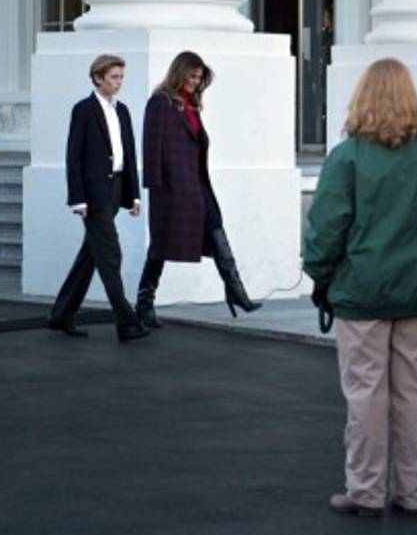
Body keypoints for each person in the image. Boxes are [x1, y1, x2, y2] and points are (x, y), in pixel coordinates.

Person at [306, 59, 417, 517]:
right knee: (410, 390)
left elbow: (326, 229)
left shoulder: (347, 156)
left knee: (365, 393)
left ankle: (365, 491)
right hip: (416, 289)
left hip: (361, 292)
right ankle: (411, 491)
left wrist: (321, 277)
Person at [135, 51, 262, 325]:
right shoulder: (160, 103)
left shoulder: (190, 104)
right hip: (171, 187)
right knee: (160, 246)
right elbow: (150, 147)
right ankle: (144, 303)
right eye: (192, 76)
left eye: (198, 77)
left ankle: (235, 291)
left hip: (196, 183)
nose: (195, 82)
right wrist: (155, 187)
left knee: (217, 229)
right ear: (179, 73)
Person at [47, 54, 149, 342]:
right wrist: (77, 198)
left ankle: (61, 315)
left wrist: (134, 195)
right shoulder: (83, 110)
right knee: (110, 255)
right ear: (97, 78)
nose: (119, 82)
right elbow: (74, 157)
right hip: (93, 196)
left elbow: (128, 155)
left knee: (90, 256)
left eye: (121, 77)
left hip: (117, 190)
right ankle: (126, 323)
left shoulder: (123, 110)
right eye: (114, 77)